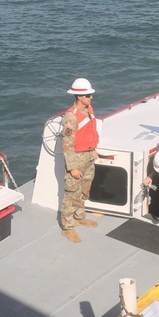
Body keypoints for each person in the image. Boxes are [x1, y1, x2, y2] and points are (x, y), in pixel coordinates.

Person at [60, 77, 100, 243]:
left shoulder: (89, 109)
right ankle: (67, 227)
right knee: (71, 195)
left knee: (84, 190)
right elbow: (67, 145)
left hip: (89, 158)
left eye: (90, 94)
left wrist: (93, 149)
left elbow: (89, 132)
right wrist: (72, 168)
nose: (91, 97)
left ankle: (79, 216)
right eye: (87, 95)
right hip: (76, 161)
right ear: (78, 96)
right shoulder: (71, 117)